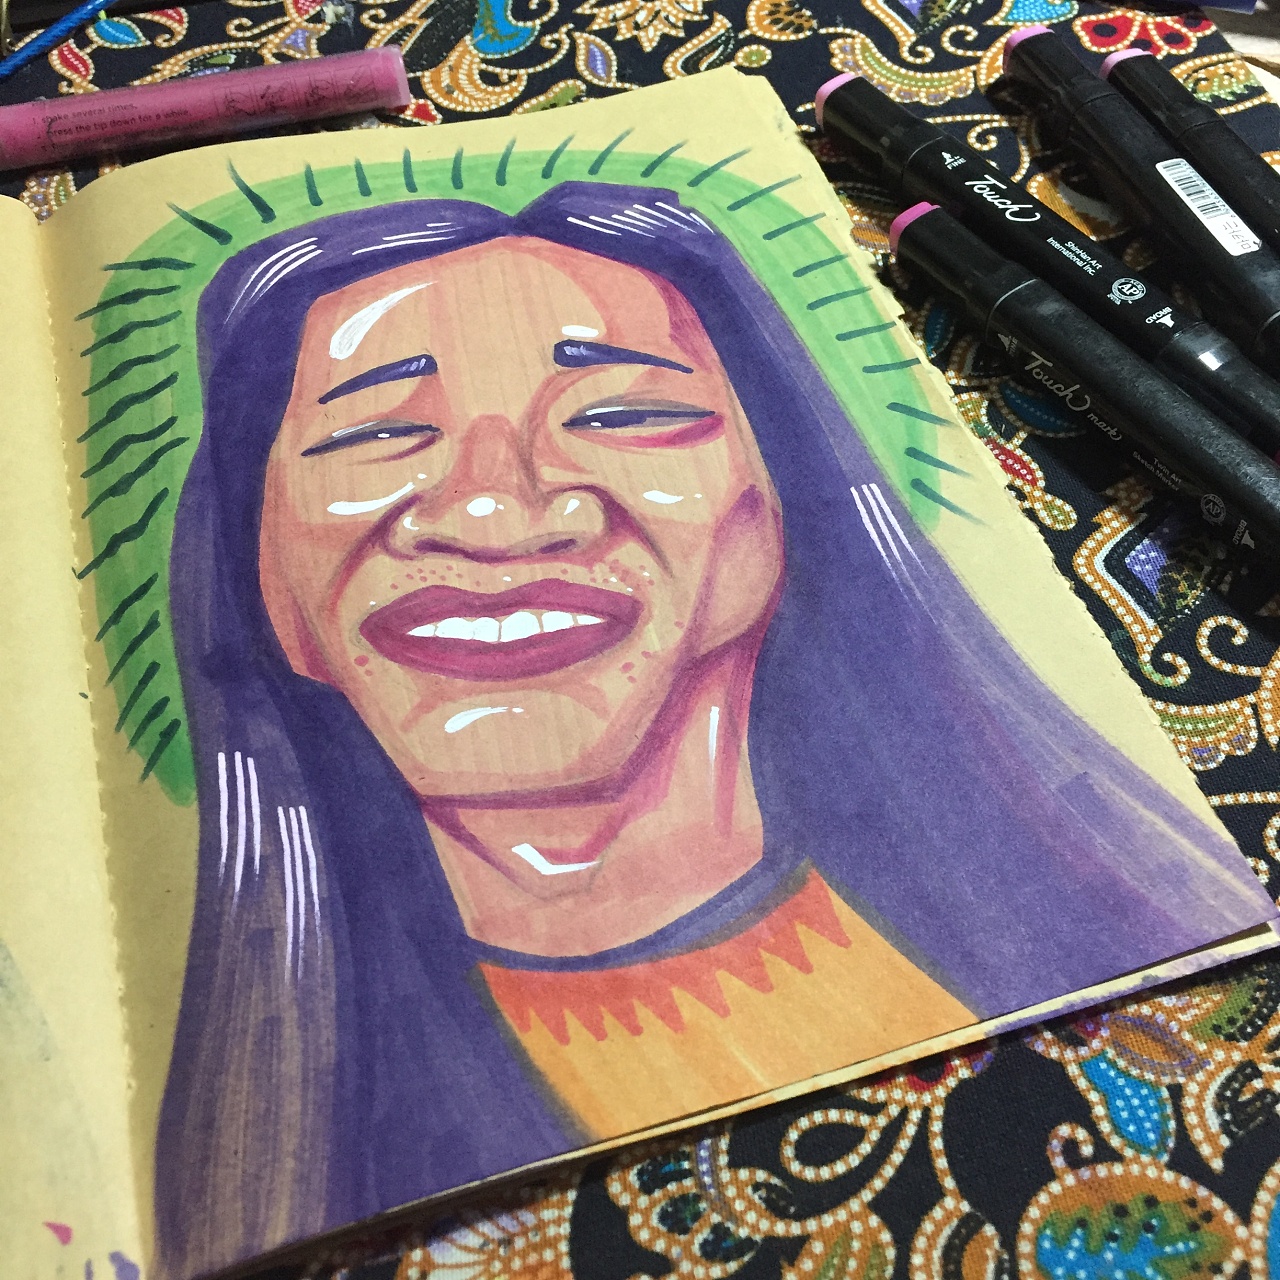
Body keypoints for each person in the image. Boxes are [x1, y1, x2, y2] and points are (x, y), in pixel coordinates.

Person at [154, 181, 1267, 1277]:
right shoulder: (270, 1144)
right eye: (375, 434)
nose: (491, 508)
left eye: (622, 415)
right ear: (264, 577)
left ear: (783, 489)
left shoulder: (1133, 949)